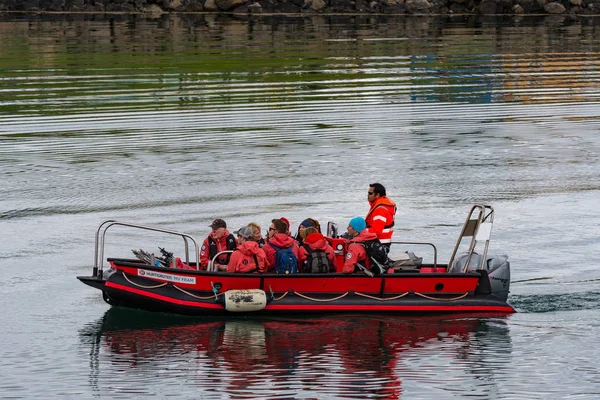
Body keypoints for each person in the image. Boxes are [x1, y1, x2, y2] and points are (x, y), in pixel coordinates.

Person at [365, 182, 397, 250]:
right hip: (383, 242)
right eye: (368, 193)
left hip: (379, 243)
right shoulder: (383, 205)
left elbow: (376, 230)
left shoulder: (380, 210)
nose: (368, 195)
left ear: (377, 195)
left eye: (370, 193)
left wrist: (359, 231)